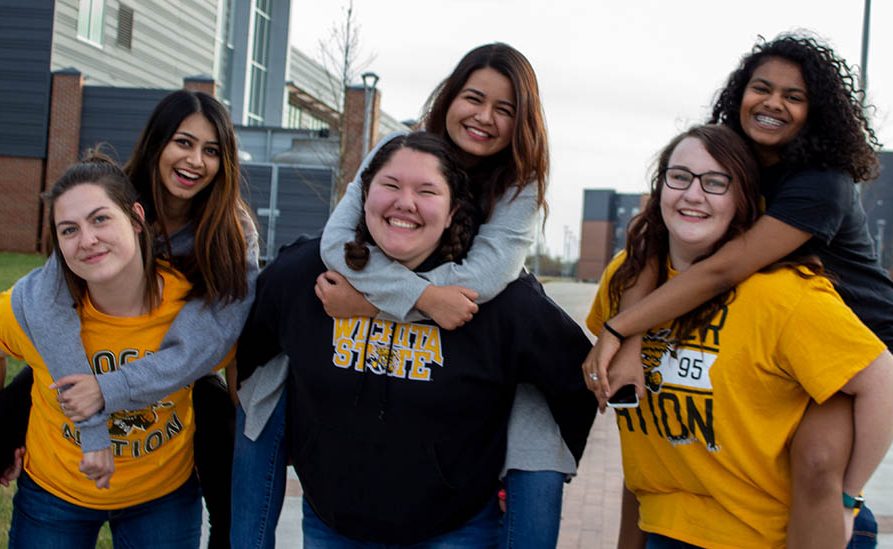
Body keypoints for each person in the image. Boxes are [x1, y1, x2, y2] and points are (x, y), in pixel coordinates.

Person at [232, 43, 572, 549]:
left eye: (505, 109)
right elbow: (336, 241)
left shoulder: (520, 183)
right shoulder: (400, 147)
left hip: (481, 311)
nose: (484, 117)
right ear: (450, 96)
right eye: (474, 98)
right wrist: (413, 299)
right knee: (273, 385)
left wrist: (372, 306)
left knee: (534, 420)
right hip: (343, 500)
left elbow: (479, 280)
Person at [584, 34, 893, 547]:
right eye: (762, 88)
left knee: (818, 465)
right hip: (785, 341)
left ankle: (849, 508)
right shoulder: (728, 156)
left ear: (814, 113)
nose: (773, 103)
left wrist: (618, 328)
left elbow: (723, 270)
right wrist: (631, 340)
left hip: (858, 335)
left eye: (793, 97)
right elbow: (651, 246)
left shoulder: (822, 182)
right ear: (739, 94)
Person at [0, 90, 256, 548]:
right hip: (84, 354)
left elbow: (212, 339)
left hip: (179, 360)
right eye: (183, 142)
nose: (195, 160)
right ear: (158, 143)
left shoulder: (230, 231)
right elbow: (46, 297)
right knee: (36, 382)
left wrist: (107, 392)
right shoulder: (107, 199)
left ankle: (226, 529)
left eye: (211, 150)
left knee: (215, 408)